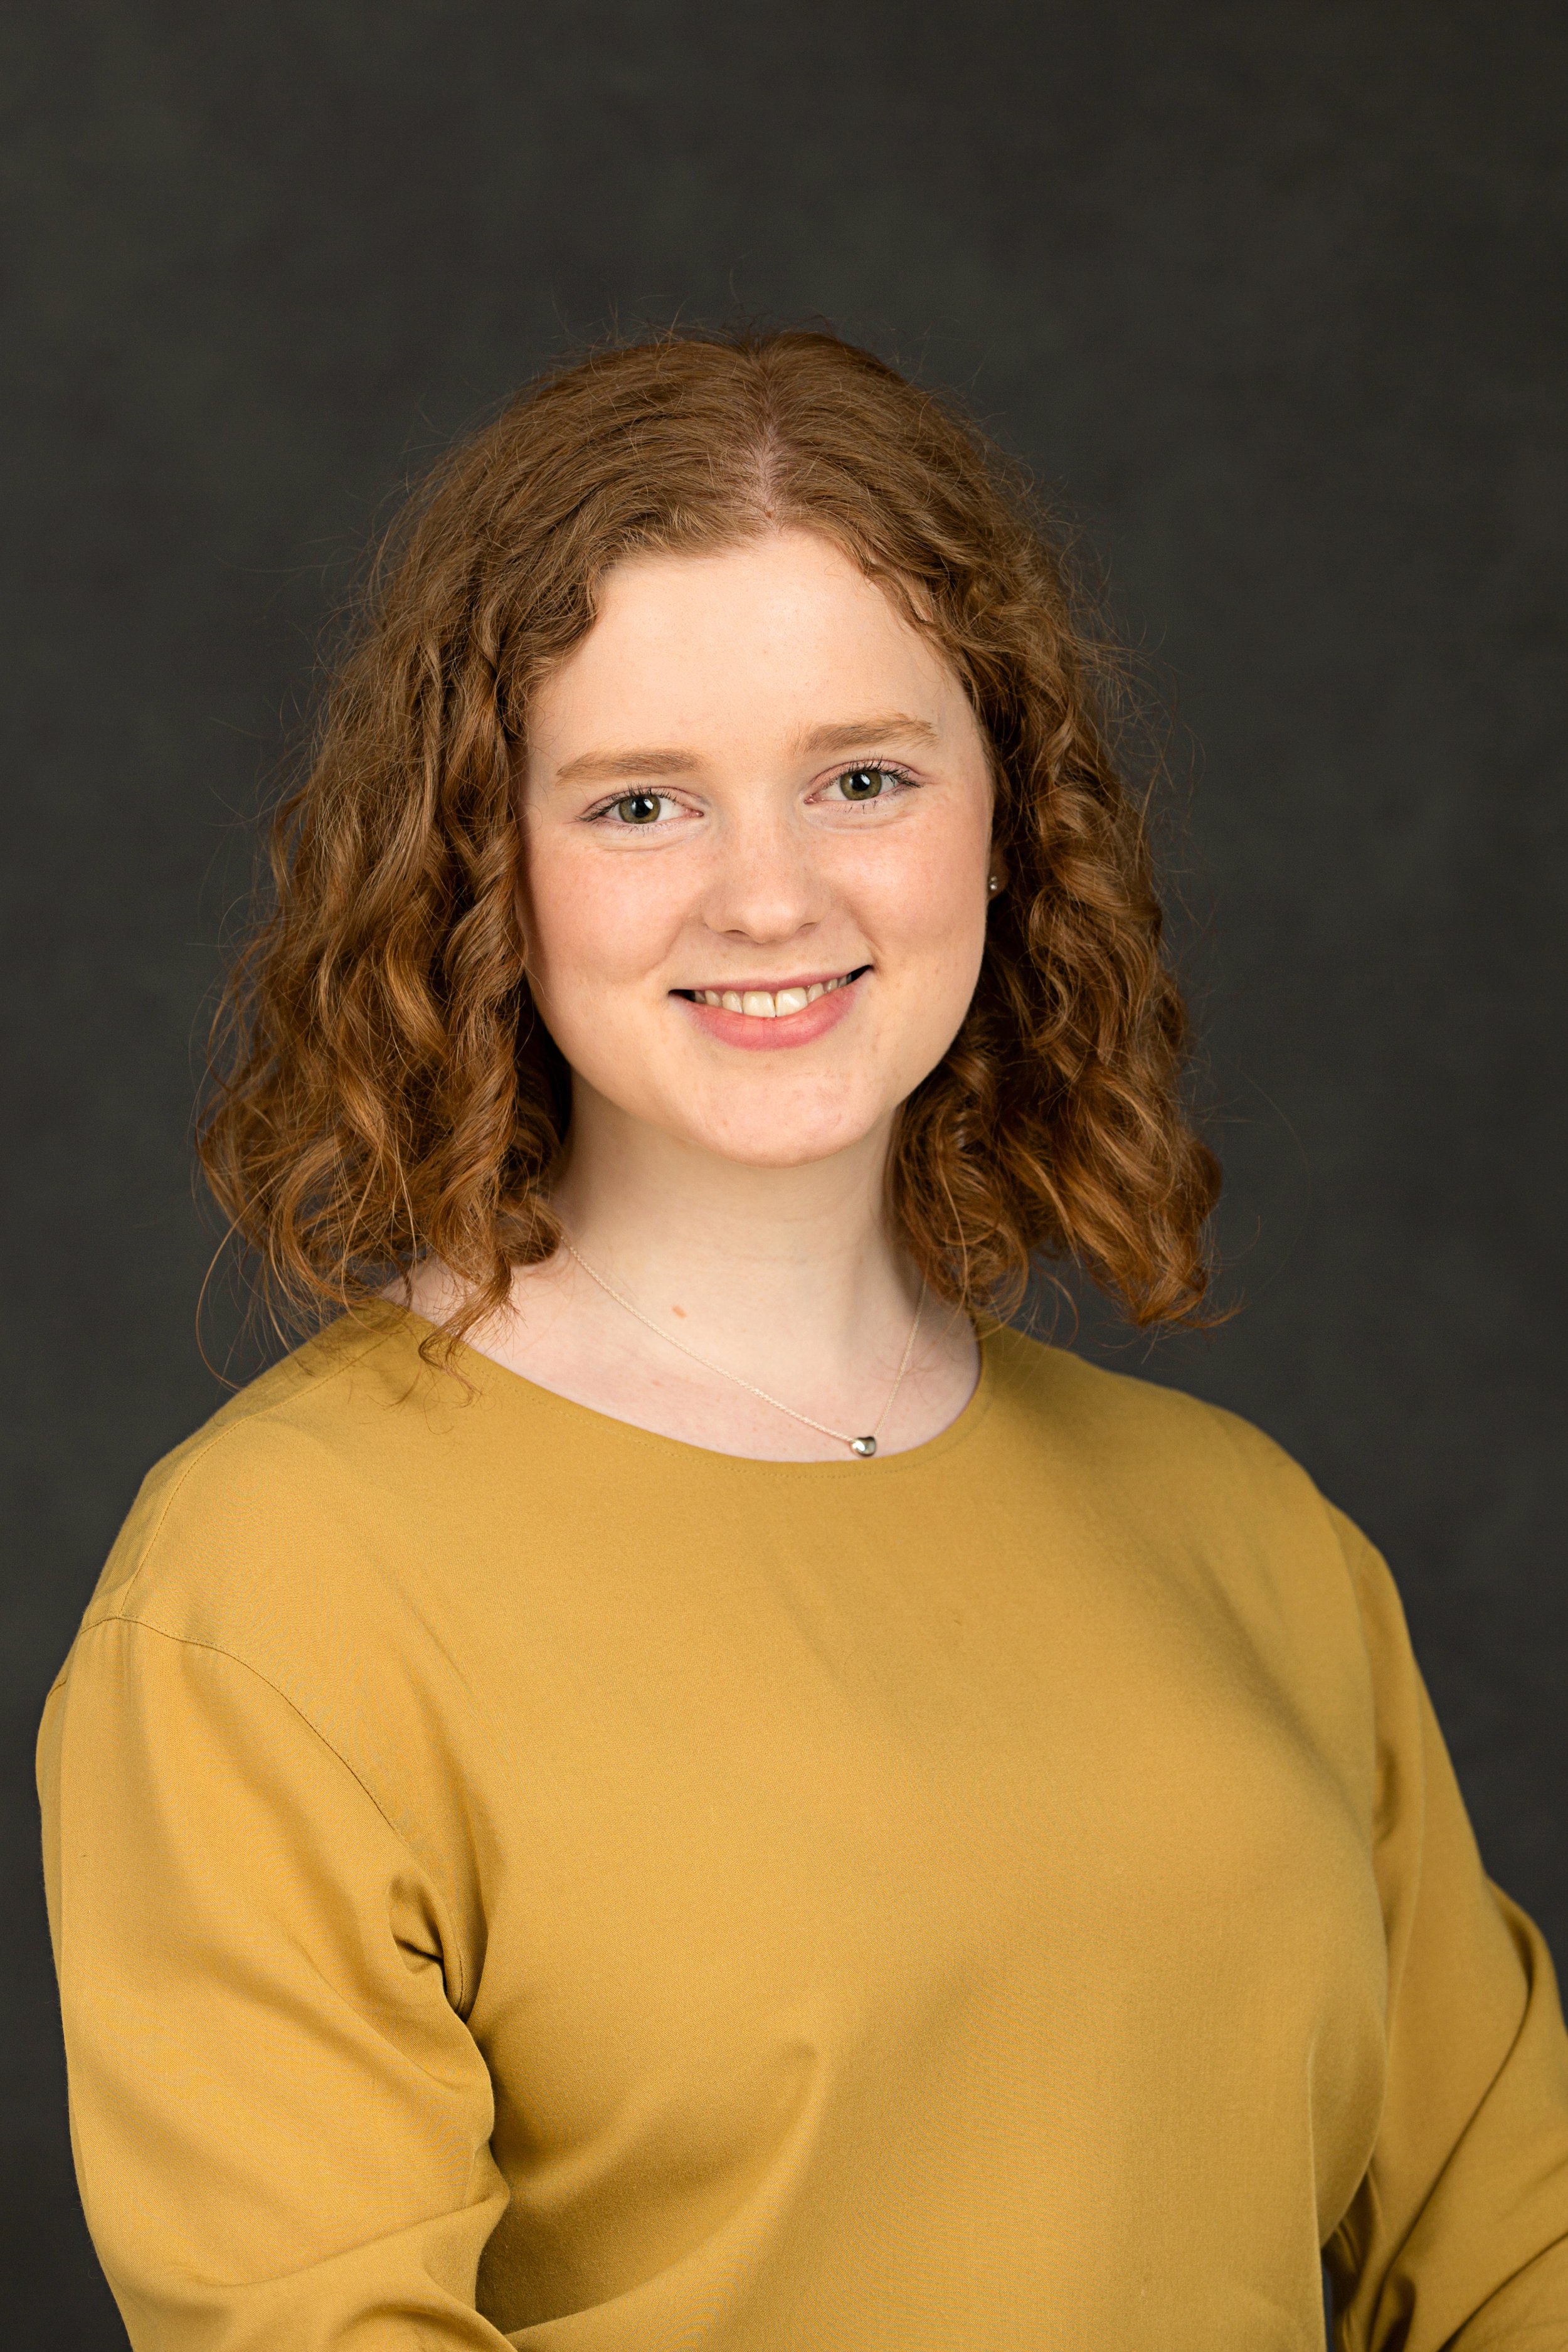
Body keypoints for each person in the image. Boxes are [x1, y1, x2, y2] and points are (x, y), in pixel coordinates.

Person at [37, 329, 1568, 2351]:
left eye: (863, 778)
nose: (769, 896)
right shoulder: (273, 1592)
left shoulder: (1242, 1533)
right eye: (643, 802)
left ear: (1005, 824)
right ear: (482, 870)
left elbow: (1513, 2244)